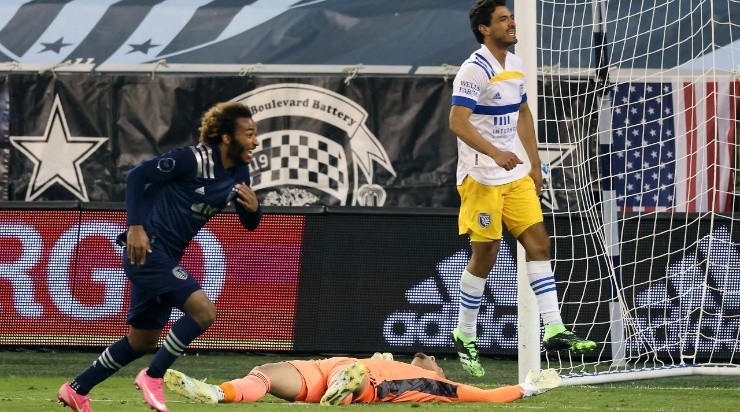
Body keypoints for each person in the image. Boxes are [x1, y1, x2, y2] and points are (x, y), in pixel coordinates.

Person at [57, 101, 263, 412]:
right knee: (204, 313)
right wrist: (135, 228)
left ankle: (77, 388)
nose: (255, 141)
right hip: (146, 249)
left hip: (166, 256)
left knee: (143, 340)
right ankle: (154, 376)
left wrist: (255, 210)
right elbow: (137, 176)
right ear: (225, 137)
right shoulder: (191, 158)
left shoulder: (239, 172)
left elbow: (248, 224)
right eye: (248, 134)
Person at [448, 0, 596, 377]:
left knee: (539, 243)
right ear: (484, 28)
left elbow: (524, 113)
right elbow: (457, 122)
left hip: (515, 176)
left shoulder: (514, 65)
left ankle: (554, 327)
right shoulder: (473, 69)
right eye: (503, 19)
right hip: (480, 178)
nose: (512, 23)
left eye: (511, 17)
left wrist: (535, 163)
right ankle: (465, 333)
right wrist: (496, 153)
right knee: (486, 257)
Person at [163, 352, 561, 405]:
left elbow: (489, 397)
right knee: (264, 374)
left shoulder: (432, 384)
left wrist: (527, 386)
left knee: (357, 373)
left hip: (367, 381)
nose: (430, 357)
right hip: (319, 371)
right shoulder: (388, 358)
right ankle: (216, 392)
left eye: (435, 360)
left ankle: (349, 384)